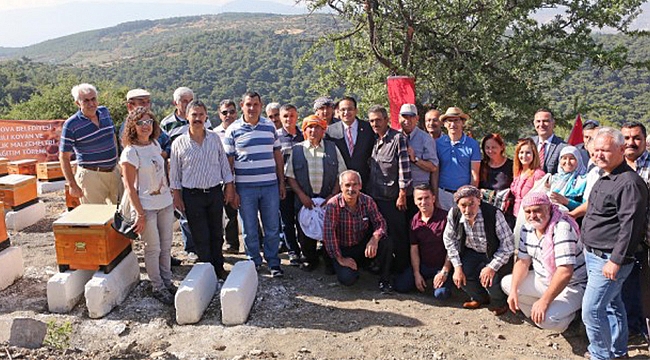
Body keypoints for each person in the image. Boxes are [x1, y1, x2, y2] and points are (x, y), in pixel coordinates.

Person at [581, 127, 648, 360]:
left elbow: (631, 226)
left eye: (605, 150)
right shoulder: (605, 176)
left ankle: (601, 355)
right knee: (612, 305)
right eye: (596, 150)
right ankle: (617, 353)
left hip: (609, 259)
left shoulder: (629, 183)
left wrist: (616, 260)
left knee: (591, 311)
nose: (599, 155)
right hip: (594, 255)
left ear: (621, 150)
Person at [501, 192, 586, 331]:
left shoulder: (561, 228)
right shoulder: (527, 228)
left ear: (548, 208)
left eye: (537, 210)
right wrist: (514, 291)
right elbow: (523, 262)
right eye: (528, 211)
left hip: (572, 285)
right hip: (545, 279)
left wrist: (544, 301)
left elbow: (565, 272)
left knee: (546, 320)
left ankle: (572, 320)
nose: (532, 215)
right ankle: (541, 309)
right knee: (508, 284)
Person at [170, 100, 235, 280]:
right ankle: (207, 271)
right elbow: (174, 174)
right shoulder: (179, 143)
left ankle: (219, 267)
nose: (197, 118)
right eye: (194, 115)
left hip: (214, 192)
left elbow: (224, 164)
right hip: (192, 195)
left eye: (201, 115)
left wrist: (229, 187)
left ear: (206, 116)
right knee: (200, 235)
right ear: (187, 117)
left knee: (216, 232)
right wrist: (177, 196)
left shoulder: (214, 138)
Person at [224, 91, 286, 277]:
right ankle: (254, 262)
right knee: (250, 229)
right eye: (248, 104)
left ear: (261, 105)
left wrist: (281, 182)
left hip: (270, 186)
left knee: (272, 226)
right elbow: (229, 163)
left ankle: (274, 262)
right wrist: (231, 189)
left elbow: (277, 156)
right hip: (245, 188)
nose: (252, 108)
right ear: (242, 105)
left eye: (256, 104)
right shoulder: (233, 130)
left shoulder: (269, 127)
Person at [120, 107, 176, 305]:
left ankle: (167, 281)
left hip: (165, 203)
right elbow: (129, 186)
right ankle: (157, 286)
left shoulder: (153, 144)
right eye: (141, 122)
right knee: (153, 248)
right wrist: (140, 214)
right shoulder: (130, 152)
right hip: (147, 207)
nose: (146, 126)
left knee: (166, 245)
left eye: (149, 122)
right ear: (132, 127)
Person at [286, 115, 346, 271]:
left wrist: (333, 195)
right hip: (305, 199)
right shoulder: (297, 149)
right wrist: (301, 195)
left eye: (317, 127)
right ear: (305, 131)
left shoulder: (332, 148)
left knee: (330, 230)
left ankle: (329, 260)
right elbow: (290, 176)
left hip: (328, 198)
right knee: (304, 231)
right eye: (309, 127)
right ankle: (309, 259)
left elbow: (342, 174)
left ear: (323, 130)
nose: (313, 130)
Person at [442, 185, 514, 315]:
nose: (468, 210)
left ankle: (499, 302)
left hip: (493, 251)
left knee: (490, 280)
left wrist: (491, 267)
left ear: (479, 201)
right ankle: (479, 298)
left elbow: (508, 245)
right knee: (461, 275)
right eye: (463, 205)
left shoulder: (493, 214)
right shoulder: (454, 214)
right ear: (457, 205)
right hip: (471, 251)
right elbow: (449, 240)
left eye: (472, 204)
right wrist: (457, 267)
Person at [323, 170, 393, 293]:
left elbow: (380, 222)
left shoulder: (368, 201)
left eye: (355, 184)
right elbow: (329, 236)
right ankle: (348, 267)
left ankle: (385, 280)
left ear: (360, 186)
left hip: (362, 245)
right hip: (343, 249)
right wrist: (340, 259)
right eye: (347, 185)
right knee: (348, 279)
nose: (351, 189)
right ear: (341, 187)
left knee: (387, 242)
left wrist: (375, 238)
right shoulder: (333, 205)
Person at [60, 83, 121, 205]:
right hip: (91, 177)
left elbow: (112, 136)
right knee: (96, 218)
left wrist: (118, 160)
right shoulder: (71, 124)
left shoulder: (104, 112)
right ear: (78, 103)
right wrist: (72, 184)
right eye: (86, 100)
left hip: (114, 172)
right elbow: (63, 157)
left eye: (93, 99)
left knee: (121, 215)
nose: (91, 103)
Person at [367, 105, 412, 272]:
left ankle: (402, 270)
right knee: (381, 235)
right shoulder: (375, 140)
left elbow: (404, 167)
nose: (375, 123)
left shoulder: (397, 138)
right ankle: (382, 267)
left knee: (398, 235)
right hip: (376, 197)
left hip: (393, 198)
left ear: (386, 120)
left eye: (378, 120)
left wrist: (402, 194)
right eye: (372, 121)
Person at [620, 121, 650, 344]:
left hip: (647, 237)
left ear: (645, 140)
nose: (631, 142)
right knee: (627, 286)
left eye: (636, 137)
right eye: (627, 138)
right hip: (624, 240)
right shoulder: (616, 165)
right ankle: (632, 328)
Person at [394, 184, 453, 299]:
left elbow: (452, 248)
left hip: (442, 266)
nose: (423, 202)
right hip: (423, 266)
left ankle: (444, 283)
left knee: (441, 295)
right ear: (415, 201)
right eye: (419, 199)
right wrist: (416, 273)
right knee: (400, 287)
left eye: (427, 198)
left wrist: (444, 272)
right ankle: (422, 281)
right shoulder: (414, 221)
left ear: (433, 198)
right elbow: (414, 248)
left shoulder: (446, 218)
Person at [436, 107, 481, 211]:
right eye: (449, 121)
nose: (453, 124)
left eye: (456, 120)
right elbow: (435, 171)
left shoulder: (472, 145)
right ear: (445, 124)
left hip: (464, 195)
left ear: (462, 123)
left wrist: (470, 196)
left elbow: (475, 175)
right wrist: (435, 194)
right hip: (443, 193)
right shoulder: (438, 144)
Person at [325, 96, 375, 190]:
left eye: (350, 109)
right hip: (340, 184)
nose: (346, 113)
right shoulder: (330, 131)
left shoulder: (368, 128)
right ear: (338, 112)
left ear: (356, 110)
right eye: (343, 110)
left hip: (366, 182)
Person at [399, 104, 438, 220]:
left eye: (411, 117)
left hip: (419, 193)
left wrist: (415, 159)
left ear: (417, 119)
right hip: (399, 193)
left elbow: (433, 167)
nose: (407, 120)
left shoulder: (426, 139)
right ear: (399, 118)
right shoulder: (394, 137)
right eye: (404, 117)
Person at [277, 104, 304, 266]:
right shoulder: (276, 137)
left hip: (302, 188)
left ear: (297, 116)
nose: (289, 119)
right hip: (285, 187)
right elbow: (276, 163)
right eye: (285, 116)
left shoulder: (304, 135)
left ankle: (306, 250)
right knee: (287, 221)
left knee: (302, 220)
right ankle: (293, 251)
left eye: (292, 115)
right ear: (280, 118)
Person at [214, 99, 241, 255]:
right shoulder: (213, 134)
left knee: (248, 212)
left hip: (244, 176)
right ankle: (232, 244)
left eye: (231, 111)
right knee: (229, 213)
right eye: (225, 112)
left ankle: (259, 243)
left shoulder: (243, 129)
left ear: (236, 113)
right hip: (223, 178)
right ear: (219, 114)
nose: (228, 115)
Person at [478, 133, 514, 218]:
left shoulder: (512, 165)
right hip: (485, 212)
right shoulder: (481, 165)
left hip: (506, 213)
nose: (490, 151)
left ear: (501, 147)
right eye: (487, 148)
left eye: (493, 147)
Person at [546, 146, 587, 211]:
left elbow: (586, 207)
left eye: (572, 158)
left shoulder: (584, 180)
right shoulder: (554, 179)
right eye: (564, 158)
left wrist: (566, 202)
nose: (567, 162)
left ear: (578, 160)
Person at [510, 138, 545, 215]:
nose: (524, 156)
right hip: (516, 215)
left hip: (530, 217)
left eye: (528, 152)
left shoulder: (538, 174)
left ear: (534, 154)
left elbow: (541, 201)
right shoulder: (518, 172)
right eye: (521, 152)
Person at [531, 108, 566, 175]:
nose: (541, 124)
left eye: (545, 121)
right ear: (534, 123)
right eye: (538, 121)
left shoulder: (562, 147)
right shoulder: (529, 143)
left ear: (553, 123)